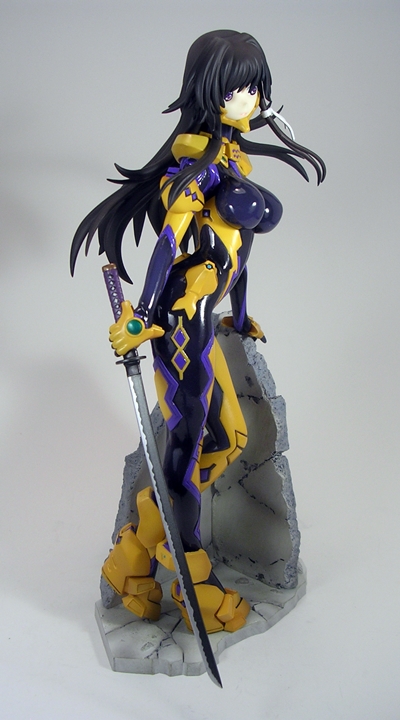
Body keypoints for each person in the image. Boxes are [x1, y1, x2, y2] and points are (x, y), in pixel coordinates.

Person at [71, 29, 325, 634]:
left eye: (256, 89)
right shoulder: (193, 171)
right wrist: (141, 317)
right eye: (239, 89)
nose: (251, 100)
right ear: (208, 91)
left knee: (227, 440)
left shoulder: (229, 158)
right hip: (180, 326)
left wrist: (240, 310)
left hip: (207, 321)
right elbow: (169, 246)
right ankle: (193, 581)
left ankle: (131, 557)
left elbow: (236, 249)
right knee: (188, 452)